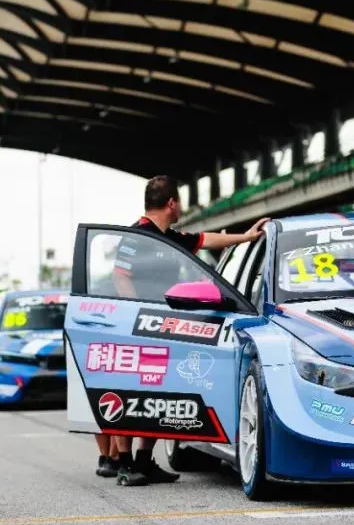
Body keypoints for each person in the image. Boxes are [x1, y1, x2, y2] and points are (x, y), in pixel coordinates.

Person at [110, 175, 269, 486]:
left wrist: (247, 237)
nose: (181, 207)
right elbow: (120, 277)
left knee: (158, 395)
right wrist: (138, 313)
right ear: (172, 203)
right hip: (137, 325)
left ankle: (144, 461)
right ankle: (125, 465)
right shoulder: (135, 236)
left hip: (164, 326)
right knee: (130, 394)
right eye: (180, 201)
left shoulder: (170, 237)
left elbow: (207, 240)